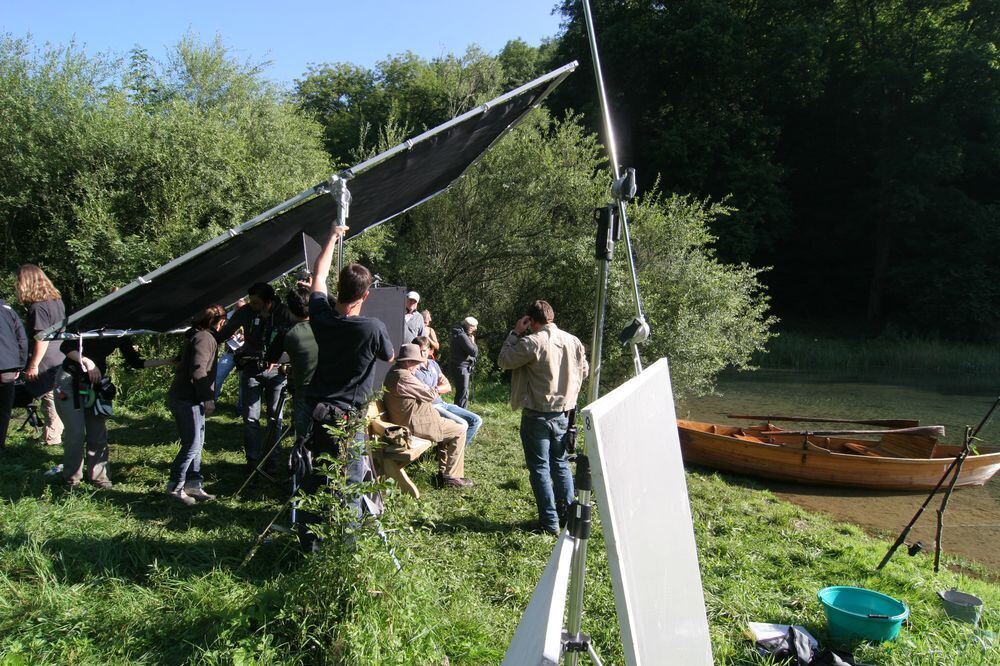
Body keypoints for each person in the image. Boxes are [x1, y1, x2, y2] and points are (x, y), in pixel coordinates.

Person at [299, 225, 394, 551]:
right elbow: (390, 355)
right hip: (349, 418)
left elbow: (319, 276)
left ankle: (310, 545)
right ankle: (345, 549)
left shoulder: (322, 318)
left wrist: (332, 237)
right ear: (365, 295)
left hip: (319, 411)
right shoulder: (372, 327)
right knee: (351, 482)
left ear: (339, 290)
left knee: (320, 477)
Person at [498, 300, 588, 535]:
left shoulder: (531, 341)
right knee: (560, 464)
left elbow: (504, 360)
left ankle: (549, 523)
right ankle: (569, 516)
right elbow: (584, 370)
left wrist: (515, 332)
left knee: (539, 468)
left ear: (531, 321)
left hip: (537, 414)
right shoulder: (573, 341)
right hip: (563, 413)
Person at [55, 335, 174, 488]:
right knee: (76, 432)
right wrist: (86, 361)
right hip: (70, 381)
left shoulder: (121, 333)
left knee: (97, 432)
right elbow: (66, 347)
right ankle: (72, 479)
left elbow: (135, 362)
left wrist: (168, 361)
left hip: (94, 385)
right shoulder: (91, 322)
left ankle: (100, 478)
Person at [215, 283, 294, 473]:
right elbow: (226, 332)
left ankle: (272, 460)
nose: (253, 305)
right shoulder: (246, 312)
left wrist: (281, 359)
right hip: (251, 369)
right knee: (250, 418)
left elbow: (293, 339)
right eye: (251, 301)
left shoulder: (285, 314)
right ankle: (253, 461)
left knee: (275, 418)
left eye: (257, 302)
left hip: (277, 372)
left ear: (268, 302)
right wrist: (206, 337)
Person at [384, 343, 471, 488]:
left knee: (451, 428)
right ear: (407, 362)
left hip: (416, 421)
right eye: (416, 363)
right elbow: (429, 394)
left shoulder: (396, 372)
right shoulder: (403, 377)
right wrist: (440, 387)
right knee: (460, 430)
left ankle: (444, 474)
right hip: (415, 425)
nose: (418, 366)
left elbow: (424, 393)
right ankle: (452, 478)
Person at [166, 305, 226, 505]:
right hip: (186, 398)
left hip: (191, 398)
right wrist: (208, 397)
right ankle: (175, 487)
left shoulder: (197, 335)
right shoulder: (204, 338)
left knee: (197, 444)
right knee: (191, 444)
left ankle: (194, 484)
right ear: (219, 321)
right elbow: (199, 370)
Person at [15, 264, 65, 447]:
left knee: (49, 397)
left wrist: (33, 364)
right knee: (55, 396)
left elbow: (41, 338)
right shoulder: (56, 301)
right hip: (59, 355)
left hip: (46, 360)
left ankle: (52, 438)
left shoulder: (38, 307)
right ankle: (52, 434)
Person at [413, 336, 482, 446]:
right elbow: (425, 395)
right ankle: (448, 453)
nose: (421, 354)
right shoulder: (413, 369)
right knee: (463, 424)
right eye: (418, 351)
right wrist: (439, 388)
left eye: (424, 351)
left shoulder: (433, 364)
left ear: (431, 350)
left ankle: (456, 451)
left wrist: (434, 390)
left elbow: (448, 386)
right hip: (430, 408)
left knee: (476, 420)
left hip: (442, 403)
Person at [283, 285, 318, 441]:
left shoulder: (291, 335)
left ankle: (302, 463)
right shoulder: (326, 325)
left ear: (290, 310)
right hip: (326, 389)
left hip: (303, 388)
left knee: (303, 437)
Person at [0, 298, 28, 451]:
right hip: (9, 365)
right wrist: (20, 364)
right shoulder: (8, 309)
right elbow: (22, 338)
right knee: (4, 408)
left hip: (8, 364)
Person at [214, 297, 246, 412]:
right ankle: (210, 403)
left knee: (244, 381)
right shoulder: (227, 317)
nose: (239, 309)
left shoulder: (249, 315)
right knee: (217, 376)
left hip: (245, 353)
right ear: (234, 306)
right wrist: (227, 334)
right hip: (230, 352)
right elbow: (218, 331)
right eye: (237, 307)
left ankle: (242, 410)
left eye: (241, 307)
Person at [448, 316, 478, 409]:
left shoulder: (458, 333)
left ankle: (458, 414)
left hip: (458, 366)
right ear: (469, 326)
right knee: (463, 393)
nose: (475, 329)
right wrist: (473, 342)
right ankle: (461, 415)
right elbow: (474, 352)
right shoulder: (462, 336)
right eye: (474, 327)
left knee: (461, 392)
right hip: (462, 368)